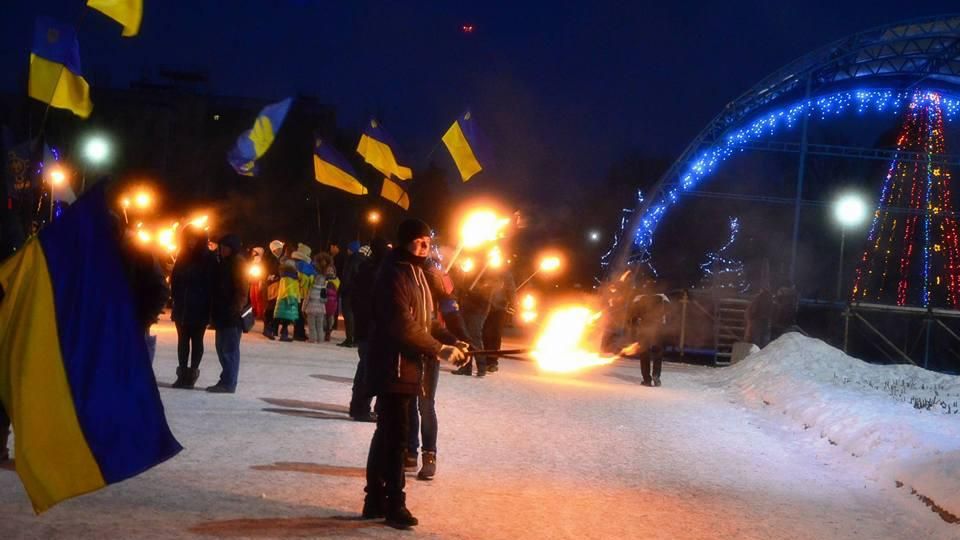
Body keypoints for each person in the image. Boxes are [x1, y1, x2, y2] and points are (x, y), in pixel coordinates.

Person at [362, 219, 466, 529]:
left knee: (386, 434)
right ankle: (395, 503)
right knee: (395, 438)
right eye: (418, 241)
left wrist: (451, 339)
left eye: (427, 242)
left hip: (407, 366)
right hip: (393, 365)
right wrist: (438, 348)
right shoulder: (393, 273)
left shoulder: (418, 273)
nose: (423, 247)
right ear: (404, 241)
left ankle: (374, 499)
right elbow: (401, 324)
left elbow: (426, 320)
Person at [406, 249, 471, 480]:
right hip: (408, 354)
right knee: (408, 404)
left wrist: (459, 341)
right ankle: (410, 452)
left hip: (430, 355)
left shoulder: (437, 289)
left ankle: (429, 456)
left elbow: (439, 322)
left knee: (425, 405)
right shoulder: (405, 285)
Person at [170, 227, 214, 388]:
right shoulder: (182, 256)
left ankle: (192, 373)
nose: (190, 242)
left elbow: (210, 283)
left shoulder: (208, 258)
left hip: (199, 307)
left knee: (196, 340)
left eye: (194, 239)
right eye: (188, 239)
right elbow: (175, 279)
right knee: (182, 341)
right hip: (182, 306)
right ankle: (182, 374)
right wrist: (175, 297)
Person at [350, 237, 388, 422]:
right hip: (374, 328)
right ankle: (361, 408)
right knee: (369, 369)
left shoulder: (364, 269)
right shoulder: (381, 272)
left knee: (365, 368)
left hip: (364, 326)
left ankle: (360, 406)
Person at [208, 234, 247, 393]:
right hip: (222, 313)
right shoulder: (223, 263)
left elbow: (242, 290)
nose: (222, 249)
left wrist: (235, 308)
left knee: (229, 349)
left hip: (231, 315)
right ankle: (225, 379)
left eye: (226, 247)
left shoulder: (237, 264)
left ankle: (229, 382)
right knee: (221, 348)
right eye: (221, 246)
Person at [629, 285, 670, 387]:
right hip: (658, 328)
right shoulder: (663, 298)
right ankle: (656, 376)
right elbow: (670, 312)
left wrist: (633, 329)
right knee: (658, 353)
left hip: (644, 328)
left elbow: (633, 315)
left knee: (644, 353)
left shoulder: (638, 298)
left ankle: (647, 379)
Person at [481, 267, 517, 374]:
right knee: (484, 333)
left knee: (495, 334)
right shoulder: (484, 269)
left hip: (499, 308)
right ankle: (484, 358)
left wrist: (512, 304)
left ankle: (492, 361)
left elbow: (511, 289)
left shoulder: (505, 273)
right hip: (484, 306)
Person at [338, 241, 364, 347]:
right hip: (358, 292)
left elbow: (347, 277)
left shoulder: (351, 260)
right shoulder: (363, 260)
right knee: (355, 315)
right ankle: (355, 338)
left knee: (348, 315)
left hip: (349, 291)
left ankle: (350, 338)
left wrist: (342, 289)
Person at [292, 243, 317, 341]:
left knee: (299, 314)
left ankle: (300, 332)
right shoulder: (304, 265)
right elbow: (304, 280)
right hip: (302, 293)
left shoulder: (296, 263)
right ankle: (298, 333)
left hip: (298, 293)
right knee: (300, 314)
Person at [273, 259, 301, 342]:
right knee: (286, 319)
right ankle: (281, 334)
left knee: (285, 319)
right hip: (287, 300)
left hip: (286, 299)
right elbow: (289, 289)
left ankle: (283, 334)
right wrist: (292, 299)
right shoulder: (289, 277)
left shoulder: (289, 276)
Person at [262, 240, 284, 339]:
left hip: (277, 285)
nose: (280, 251)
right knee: (270, 307)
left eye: (281, 249)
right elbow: (266, 273)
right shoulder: (270, 260)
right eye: (279, 249)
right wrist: (274, 277)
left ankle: (272, 328)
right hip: (271, 286)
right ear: (274, 250)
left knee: (274, 307)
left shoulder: (279, 260)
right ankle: (267, 328)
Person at [302, 264, 327, 344]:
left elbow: (306, 299)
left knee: (312, 326)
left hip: (311, 310)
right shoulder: (323, 290)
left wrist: (303, 308)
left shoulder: (311, 289)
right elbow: (324, 301)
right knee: (319, 326)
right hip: (320, 311)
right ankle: (320, 339)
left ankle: (312, 339)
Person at [324, 267, 341, 342]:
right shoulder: (323, 279)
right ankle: (325, 331)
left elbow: (338, 289)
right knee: (324, 319)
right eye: (328, 270)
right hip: (324, 302)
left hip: (332, 302)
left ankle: (328, 331)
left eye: (331, 270)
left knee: (330, 318)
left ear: (334, 272)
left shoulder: (336, 280)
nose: (329, 272)